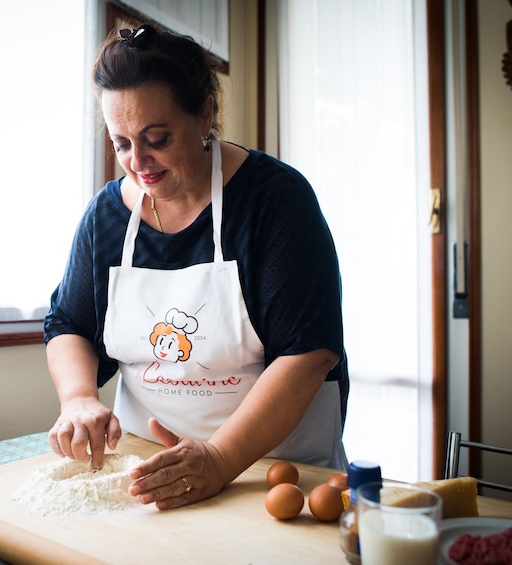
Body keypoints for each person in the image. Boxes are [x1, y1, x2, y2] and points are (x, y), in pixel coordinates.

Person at [44, 23, 349, 510]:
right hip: (147, 475)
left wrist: (220, 458)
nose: (138, 161)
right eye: (121, 144)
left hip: (272, 476)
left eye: (157, 138)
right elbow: (69, 324)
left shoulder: (275, 201)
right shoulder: (106, 217)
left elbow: (308, 352)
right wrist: (78, 396)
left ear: (205, 113)